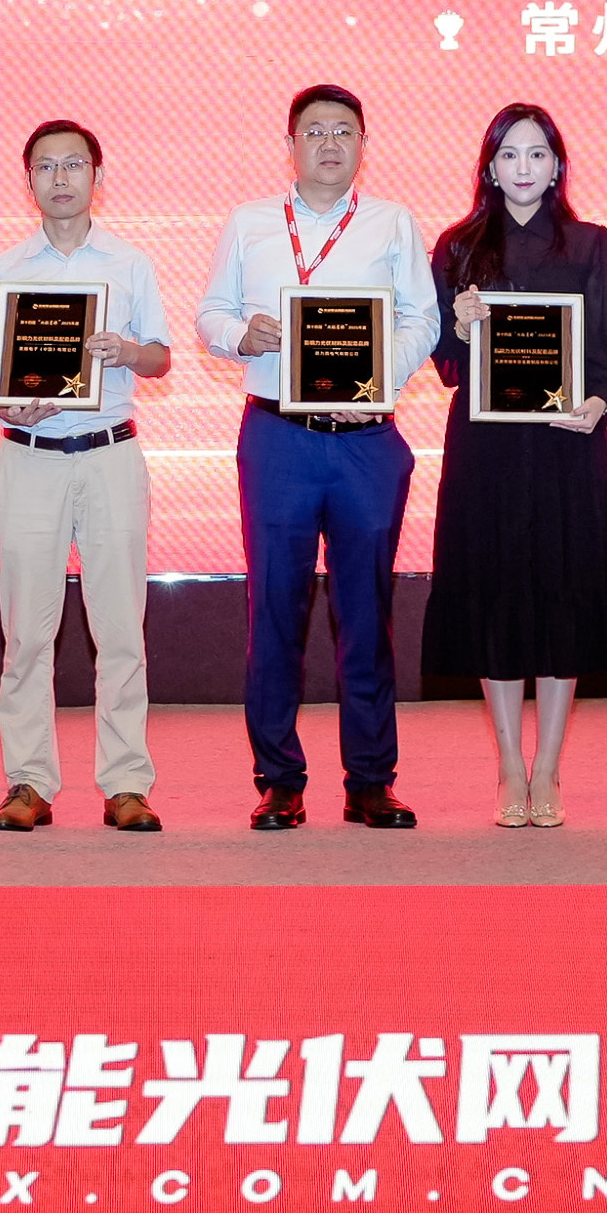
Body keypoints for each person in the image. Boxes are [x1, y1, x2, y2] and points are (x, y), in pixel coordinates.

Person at [196, 83, 443, 831]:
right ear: (290, 144)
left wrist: (378, 379)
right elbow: (211, 313)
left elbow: (422, 319)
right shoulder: (249, 223)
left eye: (343, 131)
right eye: (314, 131)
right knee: (275, 607)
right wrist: (243, 335)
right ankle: (278, 779)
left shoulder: (393, 222)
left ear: (363, 144)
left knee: (365, 613)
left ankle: (370, 780)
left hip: (366, 441)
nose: (329, 144)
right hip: (279, 438)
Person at [421, 105, 607, 828]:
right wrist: (457, 328)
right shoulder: (457, 246)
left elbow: (605, 350)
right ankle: (509, 765)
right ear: (489, 166)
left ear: (556, 166)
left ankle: (548, 768)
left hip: (564, 445)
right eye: (509, 154)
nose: (523, 166)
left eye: (537, 153)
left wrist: (598, 403)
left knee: (561, 596)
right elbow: (447, 364)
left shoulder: (589, 242)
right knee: (495, 594)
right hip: (486, 450)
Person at [0, 120, 172, 833]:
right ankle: (28, 781)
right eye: (46, 167)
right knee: (26, 632)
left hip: (111, 454)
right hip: (28, 456)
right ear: (28, 180)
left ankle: (126, 783)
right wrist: (3, 400)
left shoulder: (130, 264)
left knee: (120, 629)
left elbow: (160, 358)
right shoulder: (4, 269)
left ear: (97, 176)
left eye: (74, 165)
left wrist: (127, 351)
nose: (60, 178)